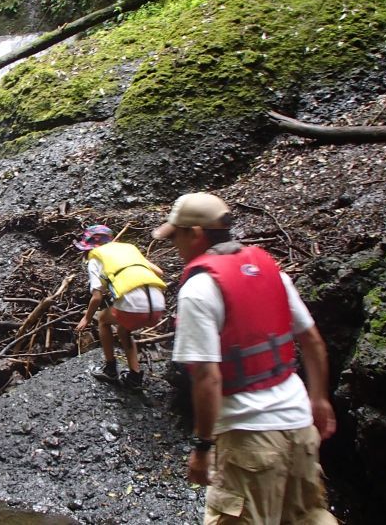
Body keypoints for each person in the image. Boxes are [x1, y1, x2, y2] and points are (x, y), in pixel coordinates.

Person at [152, 192, 337, 524]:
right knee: (310, 517)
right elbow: (312, 341)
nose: (174, 246)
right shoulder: (270, 271)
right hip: (300, 429)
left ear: (195, 234)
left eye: (176, 235)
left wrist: (203, 447)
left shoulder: (199, 289)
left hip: (249, 438)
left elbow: (208, 379)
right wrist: (319, 399)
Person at [74, 225, 167, 390]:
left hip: (134, 307)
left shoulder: (96, 259)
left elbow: (96, 297)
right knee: (124, 331)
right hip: (158, 305)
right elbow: (159, 272)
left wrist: (86, 318)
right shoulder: (128, 250)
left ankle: (110, 369)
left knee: (102, 319)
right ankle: (135, 376)